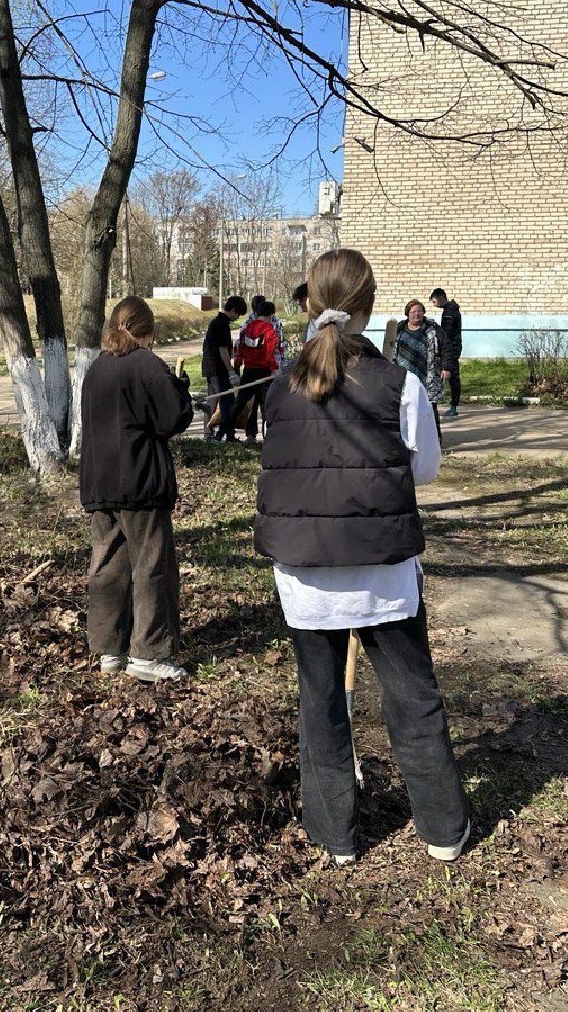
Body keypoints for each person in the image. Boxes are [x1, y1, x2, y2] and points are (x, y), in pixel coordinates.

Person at [255, 248, 470, 865]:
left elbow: (286, 468)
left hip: (304, 575)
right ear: (371, 307)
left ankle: (334, 835)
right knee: (412, 696)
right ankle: (441, 829)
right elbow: (424, 468)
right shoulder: (400, 384)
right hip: (382, 572)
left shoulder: (279, 387)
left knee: (319, 702)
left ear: (308, 304)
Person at [80, 296, 194, 682]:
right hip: (141, 482)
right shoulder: (147, 364)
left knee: (108, 567)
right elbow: (172, 418)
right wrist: (180, 389)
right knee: (151, 567)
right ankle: (148, 653)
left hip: (101, 483)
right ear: (147, 330)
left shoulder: (96, 368)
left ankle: (109, 650)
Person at [392, 298, 450, 434]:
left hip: (427, 375)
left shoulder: (433, 329)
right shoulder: (399, 328)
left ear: (423, 313)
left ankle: (435, 438)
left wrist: (446, 367)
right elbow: (389, 349)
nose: (416, 314)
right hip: (404, 376)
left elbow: (446, 347)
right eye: (413, 312)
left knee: (429, 407)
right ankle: (407, 437)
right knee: (405, 407)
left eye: (419, 311)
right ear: (407, 314)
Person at [234, 299, 280, 442]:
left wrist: (237, 364)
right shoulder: (271, 329)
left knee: (240, 404)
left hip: (249, 371)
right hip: (264, 372)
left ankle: (224, 433)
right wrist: (275, 370)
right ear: (271, 314)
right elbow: (271, 353)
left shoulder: (247, 327)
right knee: (267, 406)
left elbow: (239, 347)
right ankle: (269, 437)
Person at [202, 295, 246, 442]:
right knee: (227, 402)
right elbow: (223, 351)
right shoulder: (221, 324)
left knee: (212, 402)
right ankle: (227, 435)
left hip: (209, 367)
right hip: (218, 368)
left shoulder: (216, 321)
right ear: (233, 310)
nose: (238, 317)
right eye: (238, 313)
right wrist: (231, 371)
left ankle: (209, 435)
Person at [430, 288, 462, 418]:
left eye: (434, 301)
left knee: (453, 377)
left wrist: (436, 331)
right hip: (454, 347)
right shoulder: (451, 309)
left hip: (451, 349)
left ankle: (453, 408)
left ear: (440, 298)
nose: (434, 304)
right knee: (453, 377)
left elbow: (446, 333)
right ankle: (453, 406)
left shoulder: (449, 312)